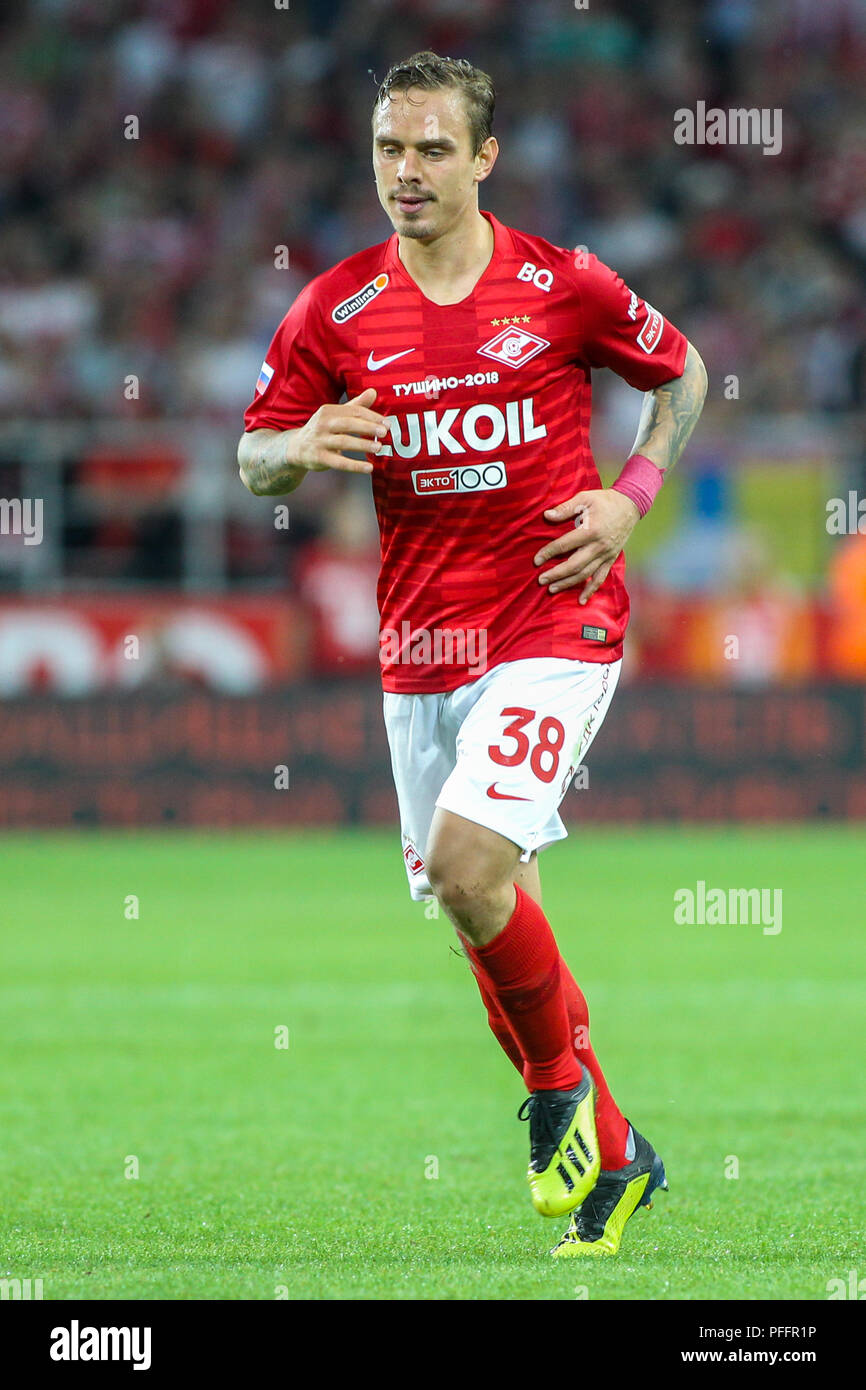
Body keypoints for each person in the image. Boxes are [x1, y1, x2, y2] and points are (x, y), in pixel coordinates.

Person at [238, 51, 707, 1256]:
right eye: (390, 148)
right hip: (420, 650)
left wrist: (630, 495)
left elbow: (683, 371)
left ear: (483, 158)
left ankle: (556, 1095)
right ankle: (614, 1156)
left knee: (463, 864)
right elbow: (250, 460)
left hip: (555, 619)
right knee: (483, 908)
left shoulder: (561, 284)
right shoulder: (332, 309)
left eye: (433, 148)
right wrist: (297, 443)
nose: (407, 171)